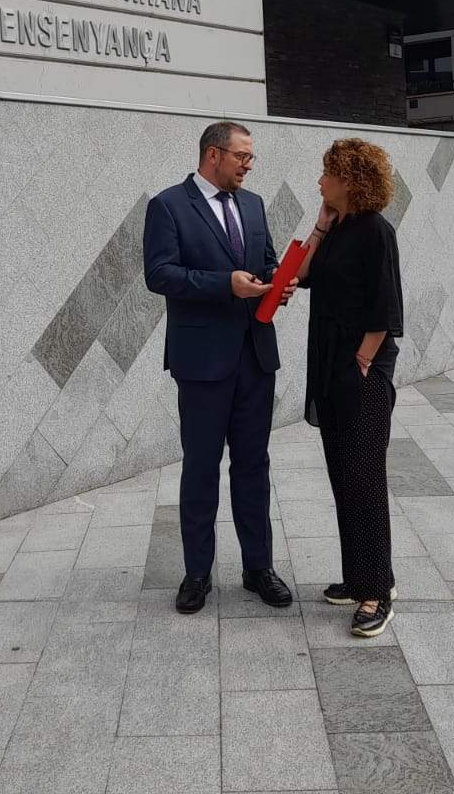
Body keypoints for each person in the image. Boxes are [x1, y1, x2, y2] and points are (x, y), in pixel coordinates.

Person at [144, 121, 294, 615]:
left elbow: (265, 260)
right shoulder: (168, 206)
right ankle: (197, 574)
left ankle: (259, 568)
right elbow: (159, 274)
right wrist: (224, 284)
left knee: (254, 465)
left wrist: (277, 281)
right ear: (213, 155)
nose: (249, 165)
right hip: (202, 362)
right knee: (201, 468)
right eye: (242, 156)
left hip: (256, 357)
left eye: (250, 157)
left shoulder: (252, 204)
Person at [291, 137, 404, 637]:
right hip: (330, 364)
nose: (320, 181)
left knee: (364, 480)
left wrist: (361, 360)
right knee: (343, 475)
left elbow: (386, 306)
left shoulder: (377, 231)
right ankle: (362, 576)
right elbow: (301, 275)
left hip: (362, 367)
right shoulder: (338, 228)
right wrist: (319, 225)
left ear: (350, 180)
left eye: (327, 174)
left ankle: (377, 593)